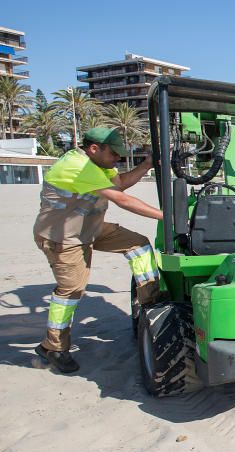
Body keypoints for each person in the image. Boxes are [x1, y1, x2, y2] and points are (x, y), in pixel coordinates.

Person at [32, 127, 163, 373]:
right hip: (63, 237)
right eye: (115, 153)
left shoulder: (102, 166)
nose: (118, 159)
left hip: (89, 228)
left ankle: (150, 302)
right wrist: (166, 217)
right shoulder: (77, 167)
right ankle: (53, 347)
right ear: (94, 148)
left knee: (138, 244)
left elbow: (120, 184)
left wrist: (146, 165)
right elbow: (121, 200)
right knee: (71, 289)